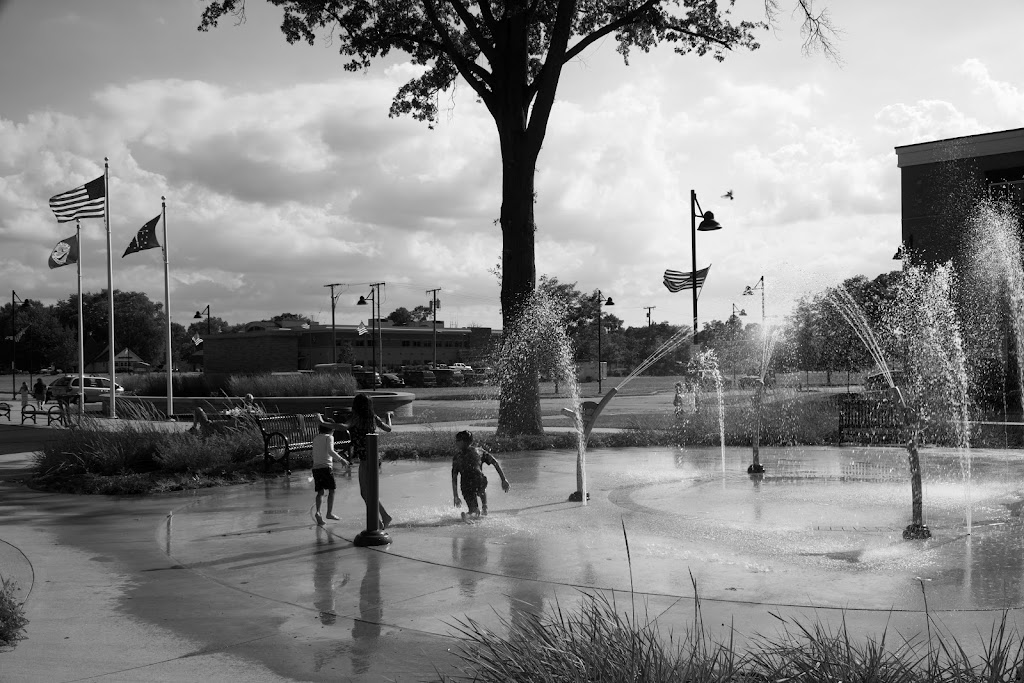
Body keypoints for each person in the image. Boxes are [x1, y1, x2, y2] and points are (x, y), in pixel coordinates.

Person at [344, 393, 393, 530]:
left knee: (366, 493)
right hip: (373, 457)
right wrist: (388, 416)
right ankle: (383, 518)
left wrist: (324, 423)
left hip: (365, 459)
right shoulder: (372, 417)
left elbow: (343, 426)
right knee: (368, 492)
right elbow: (388, 429)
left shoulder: (356, 418)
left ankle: (380, 520)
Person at [451, 430, 510, 521]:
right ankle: (474, 512)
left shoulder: (476, 452)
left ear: (462, 441)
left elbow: (495, 462)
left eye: (457, 441)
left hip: (474, 482)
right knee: (475, 504)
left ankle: (482, 508)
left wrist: (504, 480)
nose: (456, 443)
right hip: (469, 485)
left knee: (480, 489)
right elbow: (495, 462)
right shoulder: (463, 455)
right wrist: (455, 496)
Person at [311, 422, 351, 526]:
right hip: (326, 468)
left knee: (320, 492)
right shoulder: (329, 437)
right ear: (331, 429)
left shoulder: (316, 438)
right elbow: (330, 451)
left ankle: (318, 512)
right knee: (332, 490)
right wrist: (341, 459)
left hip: (316, 468)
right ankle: (329, 513)